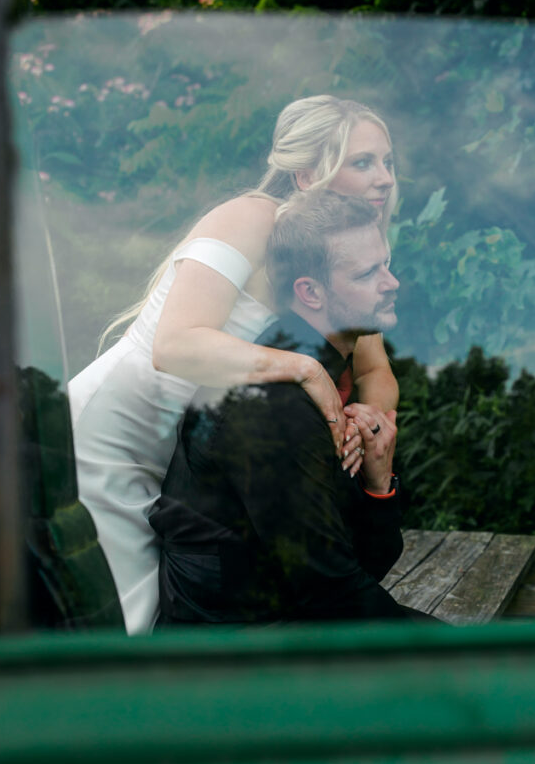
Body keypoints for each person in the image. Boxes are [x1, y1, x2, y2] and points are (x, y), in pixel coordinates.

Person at [69, 95, 400, 634]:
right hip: (113, 444)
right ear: (304, 174)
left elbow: (374, 370)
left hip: (186, 460)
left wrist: (367, 420)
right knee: (113, 629)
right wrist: (305, 369)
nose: (384, 178)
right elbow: (175, 345)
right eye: (362, 162)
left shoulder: (334, 251)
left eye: (388, 162)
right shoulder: (250, 218)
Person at [152, 191, 438, 625]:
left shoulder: (317, 375)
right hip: (232, 665)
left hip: (293, 626)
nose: (391, 282)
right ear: (310, 292)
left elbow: (351, 568)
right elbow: (333, 595)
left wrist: (380, 486)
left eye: (386, 264)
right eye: (367, 274)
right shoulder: (276, 408)